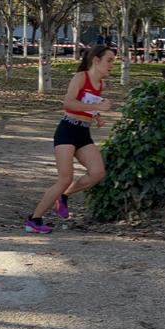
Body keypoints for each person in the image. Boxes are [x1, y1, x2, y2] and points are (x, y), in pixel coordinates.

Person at [24, 44, 116, 233]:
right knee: (65, 178)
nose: (112, 65)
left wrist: (97, 117)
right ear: (96, 61)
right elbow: (68, 103)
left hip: (83, 132)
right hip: (67, 130)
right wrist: (97, 109)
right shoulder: (81, 77)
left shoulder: (101, 84)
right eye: (109, 61)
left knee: (97, 172)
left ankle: (63, 196)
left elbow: (90, 103)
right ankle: (34, 220)